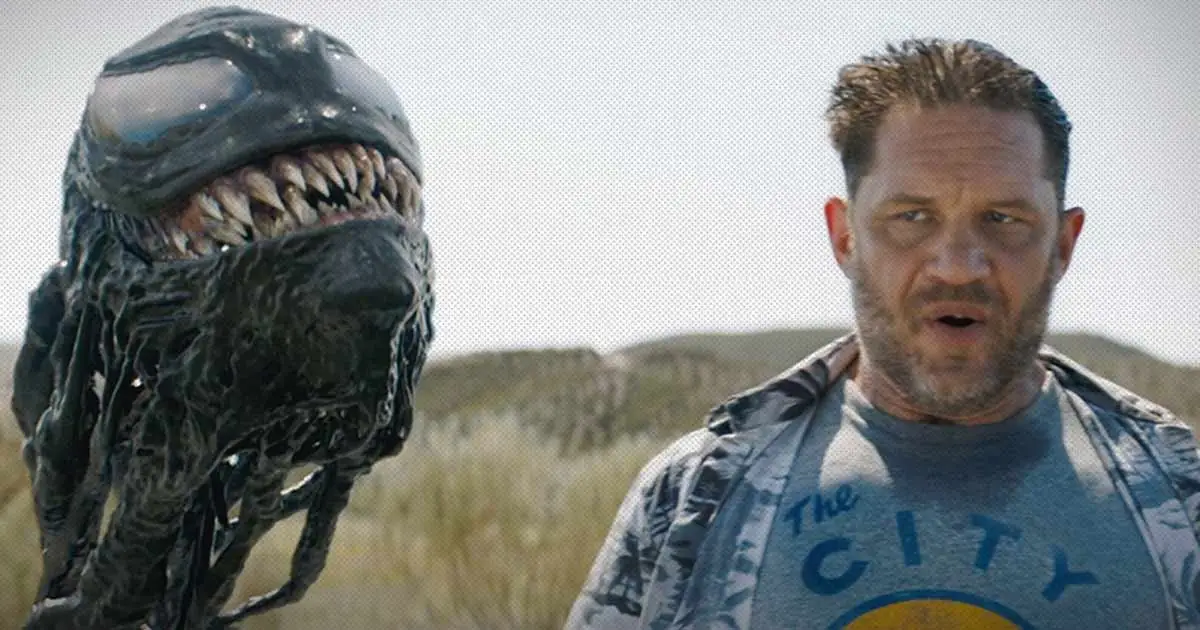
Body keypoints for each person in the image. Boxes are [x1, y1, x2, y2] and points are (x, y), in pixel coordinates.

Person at [566, 38, 1200, 630]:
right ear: (845, 236)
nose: (957, 266)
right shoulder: (694, 497)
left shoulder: (1178, 497)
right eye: (912, 216)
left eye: (1003, 218)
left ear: (1062, 244)